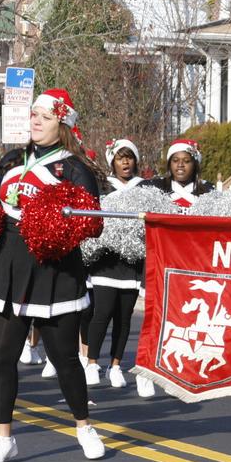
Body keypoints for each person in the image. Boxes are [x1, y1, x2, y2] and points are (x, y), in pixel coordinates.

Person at [0, 88, 105, 462]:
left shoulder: (75, 167)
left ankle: (83, 426)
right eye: (33, 115)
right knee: (2, 357)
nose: (34, 121)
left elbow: (91, 222)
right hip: (8, 266)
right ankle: (4, 437)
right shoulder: (13, 159)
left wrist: (55, 223)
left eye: (44, 117)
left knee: (65, 358)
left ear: (62, 125)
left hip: (54, 268)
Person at [82, 139, 142, 390]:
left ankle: (115, 365)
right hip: (105, 261)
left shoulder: (143, 188)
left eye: (129, 157)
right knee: (102, 313)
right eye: (120, 157)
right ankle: (92, 362)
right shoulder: (103, 186)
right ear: (112, 162)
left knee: (125, 318)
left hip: (131, 262)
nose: (125, 162)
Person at [143, 139, 213, 209]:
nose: (180, 165)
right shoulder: (155, 188)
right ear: (170, 164)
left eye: (186, 161)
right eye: (175, 160)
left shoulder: (208, 190)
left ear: (195, 165)